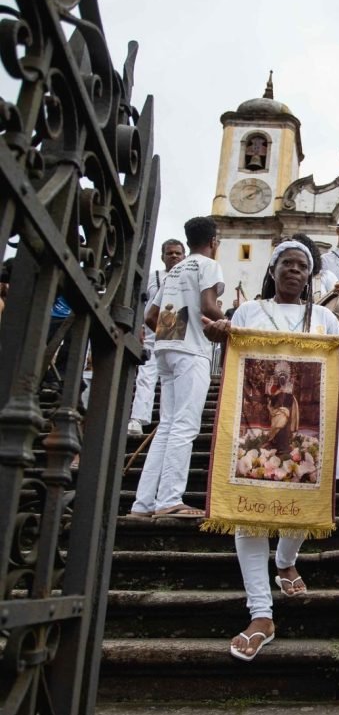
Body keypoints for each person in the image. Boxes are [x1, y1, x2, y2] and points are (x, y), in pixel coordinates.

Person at [203, 240, 339, 660]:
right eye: (287, 264)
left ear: (310, 276)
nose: (295, 271)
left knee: (306, 507)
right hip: (253, 422)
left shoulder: (327, 318)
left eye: (302, 266)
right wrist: (220, 336)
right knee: (247, 516)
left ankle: (285, 560)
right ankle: (261, 613)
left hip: (313, 425)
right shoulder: (248, 312)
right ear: (273, 270)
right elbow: (238, 363)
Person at [128, 217, 225, 518]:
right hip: (191, 352)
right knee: (184, 426)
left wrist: (174, 334)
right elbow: (209, 307)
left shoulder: (175, 270)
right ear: (213, 241)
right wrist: (226, 325)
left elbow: (150, 316)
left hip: (167, 348)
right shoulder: (207, 265)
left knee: (167, 426)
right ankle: (170, 499)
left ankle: (143, 504)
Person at [127, 239, 186, 436]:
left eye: (178, 253)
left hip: (178, 328)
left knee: (174, 377)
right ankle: (138, 418)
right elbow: (140, 302)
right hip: (152, 329)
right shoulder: (152, 278)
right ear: (162, 257)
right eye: (170, 253)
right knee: (147, 374)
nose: (174, 256)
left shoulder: (188, 279)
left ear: (184, 256)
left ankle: (170, 422)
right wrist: (139, 327)